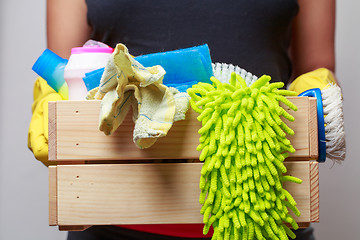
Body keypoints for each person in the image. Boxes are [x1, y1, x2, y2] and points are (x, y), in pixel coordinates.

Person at [46, 0, 336, 239]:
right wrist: (51, 108)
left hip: (263, 218)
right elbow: (63, 69)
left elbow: (315, 63)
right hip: (110, 224)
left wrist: (315, 90)